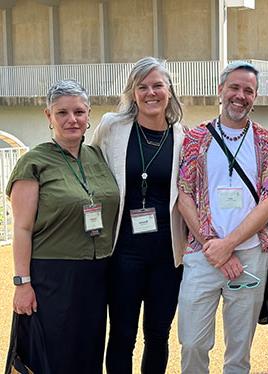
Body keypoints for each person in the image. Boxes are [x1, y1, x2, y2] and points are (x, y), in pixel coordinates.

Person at [7, 80, 120, 373]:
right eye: (63, 113)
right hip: (53, 276)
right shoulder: (34, 163)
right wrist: (22, 283)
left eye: (79, 112)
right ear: (48, 116)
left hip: (96, 273)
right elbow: (22, 228)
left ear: (89, 115)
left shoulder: (96, 156)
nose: (72, 119)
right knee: (56, 355)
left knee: (90, 351)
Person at [177, 61, 268, 374]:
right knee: (193, 343)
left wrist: (231, 245)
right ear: (220, 90)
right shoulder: (195, 139)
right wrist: (216, 248)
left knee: (239, 350)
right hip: (202, 255)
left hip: (250, 255)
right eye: (234, 88)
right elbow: (184, 197)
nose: (240, 95)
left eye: (248, 90)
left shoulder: (267, 143)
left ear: (255, 96)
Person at [91, 56, 187, 374]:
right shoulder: (112, 127)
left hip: (167, 256)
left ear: (169, 91)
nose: (150, 93)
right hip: (123, 253)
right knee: (121, 336)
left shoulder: (183, 137)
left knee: (158, 336)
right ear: (133, 93)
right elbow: (90, 170)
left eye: (157, 85)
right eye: (142, 86)